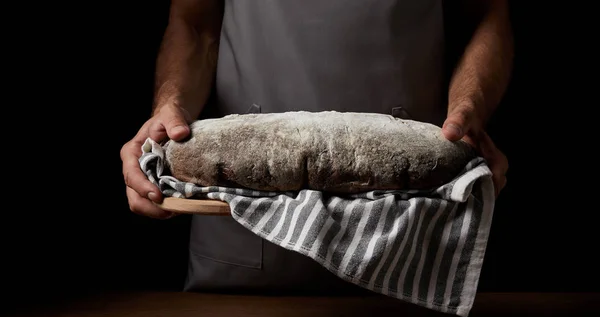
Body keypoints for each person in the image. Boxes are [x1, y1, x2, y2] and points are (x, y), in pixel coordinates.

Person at [120, 0, 512, 293]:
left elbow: (486, 14)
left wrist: (468, 110)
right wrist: (167, 110)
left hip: (409, 227)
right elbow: (194, 23)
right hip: (238, 235)